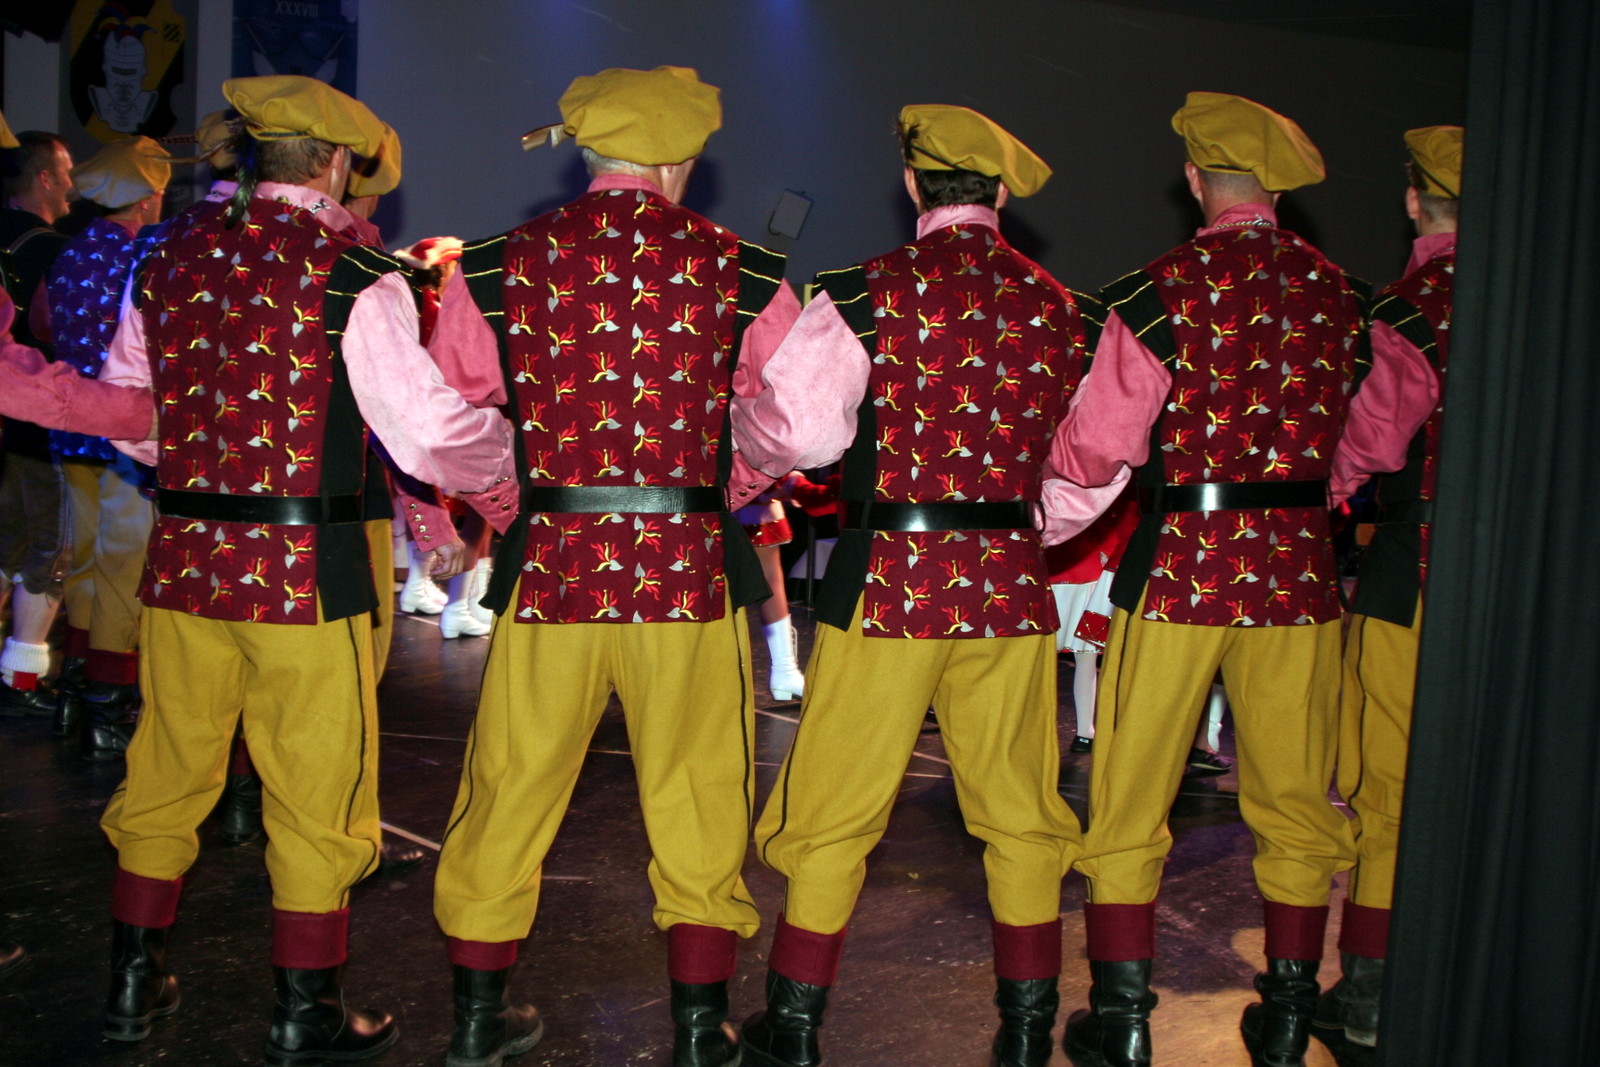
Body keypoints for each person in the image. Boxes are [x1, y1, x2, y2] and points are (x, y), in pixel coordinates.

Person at [93, 75, 513, 1063]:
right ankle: (304, 1007)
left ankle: (130, 984)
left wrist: (199, 470)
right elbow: (420, 430)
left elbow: (133, 412)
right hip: (303, 572)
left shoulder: (169, 252)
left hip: (185, 562)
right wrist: (508, 471)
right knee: (317, 783)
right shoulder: (352, 273)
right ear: (332, 163)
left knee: (164, 771)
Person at [731, 104, 1124, 1067]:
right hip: (1008, 586)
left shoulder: (861, 293)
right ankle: (1026, 1033)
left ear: (912, 183)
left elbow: (801, 433)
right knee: (1022, 813)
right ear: (1002, 191)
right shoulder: (1064, 307)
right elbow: (1095, 459)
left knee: (832, 807)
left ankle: (795, 1029)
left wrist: (741, 461)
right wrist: (1024, 529)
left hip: (887, 582)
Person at [424, 66, 801, 1067]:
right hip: (685, 572)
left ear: (586, 152)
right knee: (699, 787)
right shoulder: (745, 270)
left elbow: (441, 416)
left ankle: (476, 1019)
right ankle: (699, 1026)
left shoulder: (495, 265)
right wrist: (736, 480)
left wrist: (508, 504)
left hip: (553, 567)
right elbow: (809, 414)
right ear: (680, 160)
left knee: (510, 782)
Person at [1047, 93, 1426, 1067]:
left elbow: (1098, 448)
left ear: (1193, 179)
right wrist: (1310, 494)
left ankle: (1123, 1018)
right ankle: (1291, 1011)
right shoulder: (1351, 299)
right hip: (1297, 575)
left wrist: (1036, 509)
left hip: (1179, 565)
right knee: (1299, 800)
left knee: (1130, 796)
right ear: (1281, 190)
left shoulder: (1156, 291)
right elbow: (1375, 438)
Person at [1314, 125, 1460, 1053]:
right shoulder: (1546, 296)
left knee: (1387, 782)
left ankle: (1369, 985)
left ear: (1414, 201)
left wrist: (1316, 498)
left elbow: (1373, 436)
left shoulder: (1412, 307)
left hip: (1415, 570)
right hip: (1521, 584)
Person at [43, 136, 170, 757]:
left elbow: (42, 324)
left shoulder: (68, 251)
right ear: (147, 198)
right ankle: (108, 706)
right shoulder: (142, 252)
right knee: (124, 569)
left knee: (87, 565)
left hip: (70, 428)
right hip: (121, 432)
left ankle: (75, 685)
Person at [0, 125, 73, 716]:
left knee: (5, 547)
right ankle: (21, 682)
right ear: (44, 178)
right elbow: (60, 337)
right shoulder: (51, 251)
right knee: (50, 549)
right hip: (35, 417)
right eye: (67, 173)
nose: (74, 186)